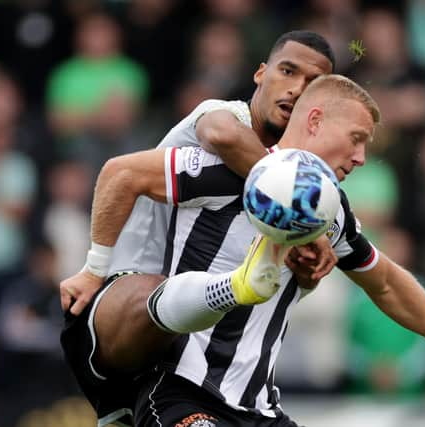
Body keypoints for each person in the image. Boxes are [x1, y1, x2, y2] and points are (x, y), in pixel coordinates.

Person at [63, 74, 425, 427]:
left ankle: (244, 283)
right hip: (182, 391)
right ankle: (237, 286)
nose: (361, 157)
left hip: (260, 408)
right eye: (357, 138)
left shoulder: (333, 211)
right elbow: (120, 174)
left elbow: (384, 281)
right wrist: (94, 266)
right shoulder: (226, 166)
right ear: (316, 120)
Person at [60, 30, 339, 426]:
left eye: (310, 85)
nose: (295, 89)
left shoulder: (286, 170)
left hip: (174, 342)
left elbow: (381, 276)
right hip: (120, 297)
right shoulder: (223, 117)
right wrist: (93, 269)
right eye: (288, 71)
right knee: (162, 291)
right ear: (261, 73)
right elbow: (130, 169)